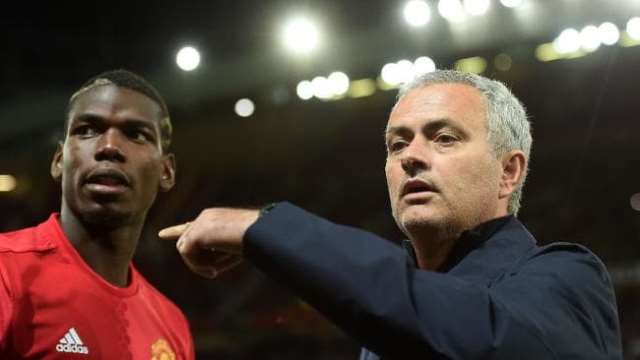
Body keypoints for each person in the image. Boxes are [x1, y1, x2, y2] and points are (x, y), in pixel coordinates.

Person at [160, 70, 623, 359]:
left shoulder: (570, 280)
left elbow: (476, 337)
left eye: (443, 138)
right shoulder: (391, 320)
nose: (410, 157)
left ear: (508, 172)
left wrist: (264, 227)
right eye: (397, 144)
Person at [0, 69, 194, 359]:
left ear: (166, 171)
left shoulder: (172, 326)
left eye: (136, 134)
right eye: (87, 130)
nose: (109, 147)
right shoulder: (6, 272)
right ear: (58, 161)